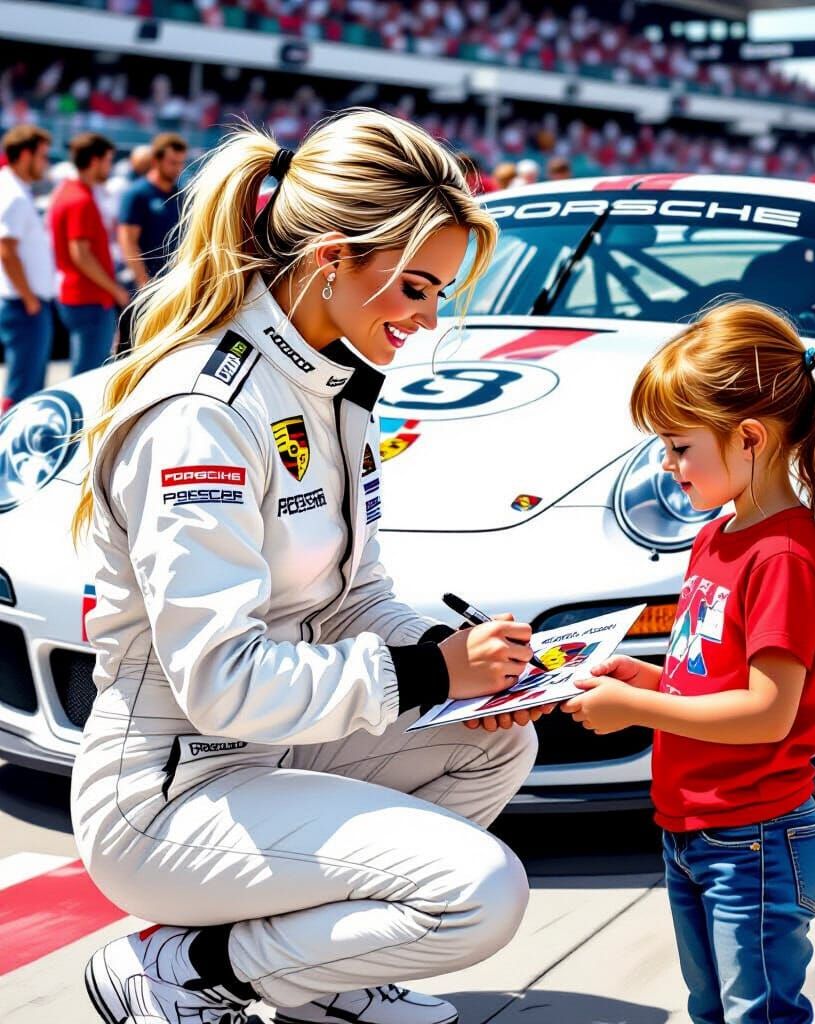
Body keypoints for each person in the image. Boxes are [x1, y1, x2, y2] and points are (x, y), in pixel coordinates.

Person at [70, 110, 548, 1024]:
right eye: (416, 287)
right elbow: (221, 681)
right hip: (167, 791)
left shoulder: (329, 385)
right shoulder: (204, 414)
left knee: (496, 740)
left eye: (440, 291)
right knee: (480, 892)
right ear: (331, 259)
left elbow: (355, 597)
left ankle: (317, 978)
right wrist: (428, 674)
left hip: (273, 751)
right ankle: (180, 971)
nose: (429, 318)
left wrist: (464, 659)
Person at [562, 300, 815, 1024]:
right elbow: (719, 678)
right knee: (714, 1009)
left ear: (749, 438)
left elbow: (767, 713)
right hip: (695, 830)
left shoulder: (784, 556)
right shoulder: (719, 534)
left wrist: (638, 709)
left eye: (680, 447)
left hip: (755, 839)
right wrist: (650, 679)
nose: (667, 465)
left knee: (758, 1015)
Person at [49, 131, 128, 376]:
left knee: (86, 368)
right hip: (88, 297)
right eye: (108, 160)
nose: (110, 167)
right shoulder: (79, 199)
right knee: (89, 374)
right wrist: (115, 290)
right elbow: (81, 255)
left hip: (81, 295)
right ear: (94, 161)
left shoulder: (69, 192)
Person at [0, 125, 55, 413]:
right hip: (24, 306)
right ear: (25, 155)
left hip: (24, 304)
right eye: (43, 156)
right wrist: (30, 299)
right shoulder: (14, 195)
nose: (46, 163)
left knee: (27, 388)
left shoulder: (16, 189)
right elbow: (6, 251)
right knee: (23, 391)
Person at [117, 132, 187, 289]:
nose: (178, 168)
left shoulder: (181, 195)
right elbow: (127, 241)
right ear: (156, 161)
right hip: (144, 285)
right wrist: (144, 283)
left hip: (172, 283)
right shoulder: (137, 194)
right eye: (172, 163)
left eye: (181, 162)